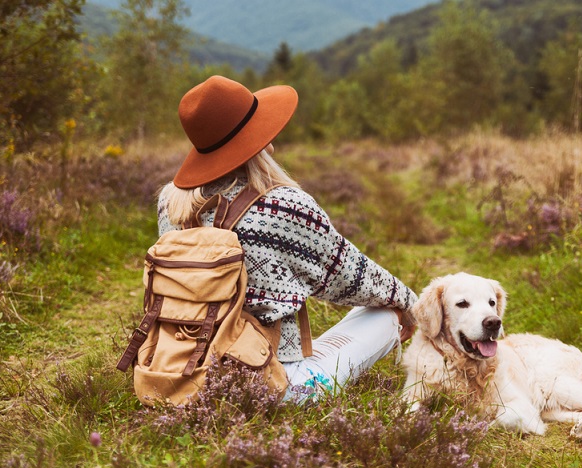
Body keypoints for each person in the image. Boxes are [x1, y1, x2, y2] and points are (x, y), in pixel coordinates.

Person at [157, 75, 417, 401]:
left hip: (185, 373)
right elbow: (351, 277)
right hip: (277, 384)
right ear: (255, 138)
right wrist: (410, 305)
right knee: (385, 312)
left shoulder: (172, 203)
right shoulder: (283, 206)